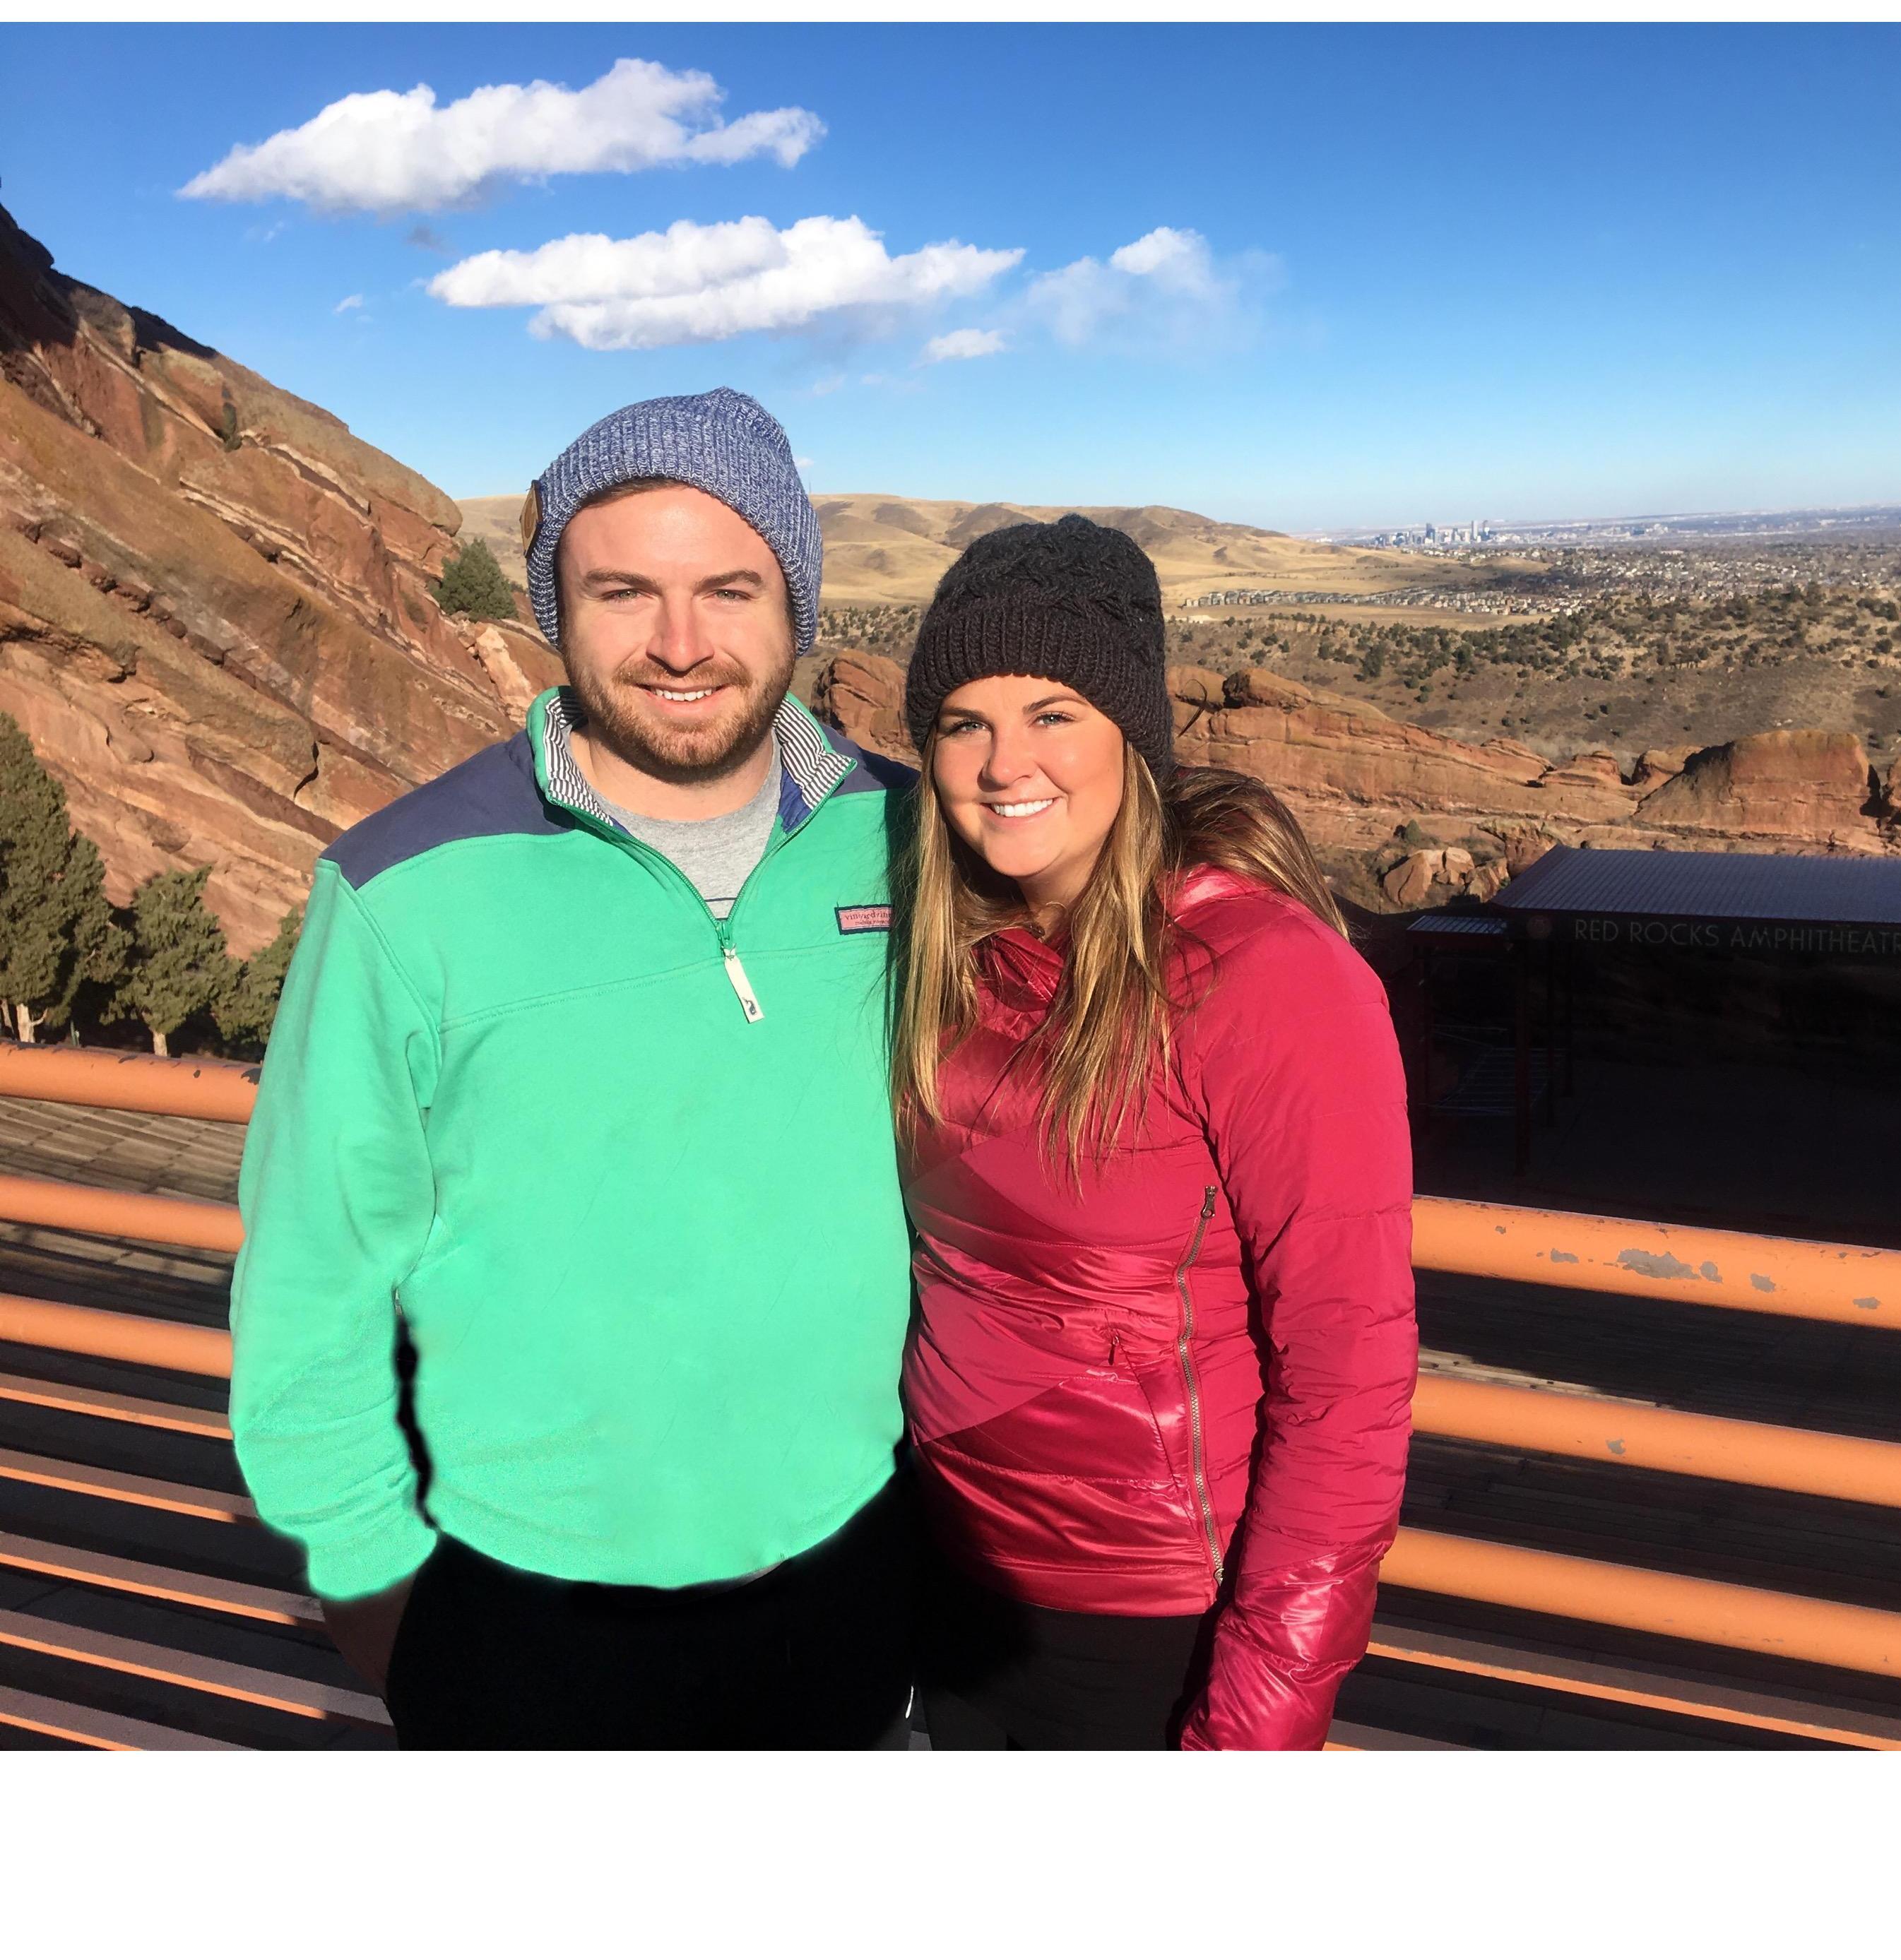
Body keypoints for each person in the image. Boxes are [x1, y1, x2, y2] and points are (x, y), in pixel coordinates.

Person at [230, 388, 918, 1749]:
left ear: (798, 603)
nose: (680, 644)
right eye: (622, 592)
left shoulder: (907, 841)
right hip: (516, 1605)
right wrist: (381, 1607)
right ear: (556, 608)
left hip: (854, 1567)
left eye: (729, 587)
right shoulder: (400, 890)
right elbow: (312, 1284)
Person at [892, 515, 1418, 1750]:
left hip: (1151, 1626)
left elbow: (1349, 1381)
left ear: (1135, 732)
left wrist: (1254, 1729)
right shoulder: (947, 947)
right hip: (938, 1581)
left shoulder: (1265, 976)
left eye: (1055, 713)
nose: (1003, 761)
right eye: (964, 720)